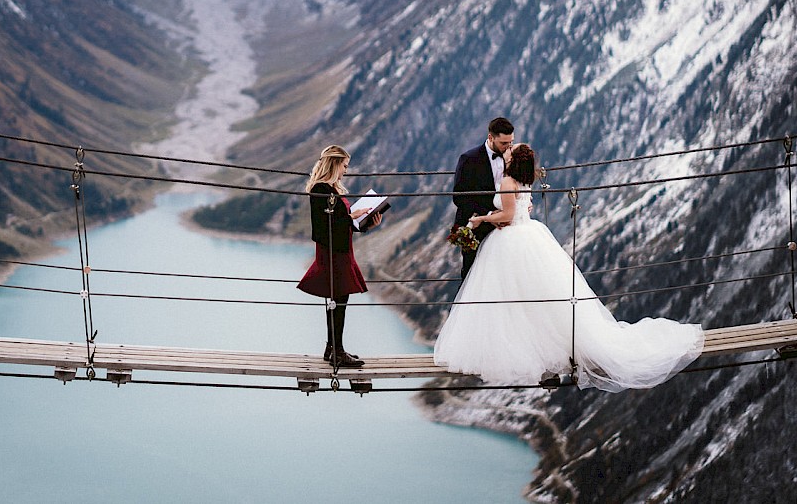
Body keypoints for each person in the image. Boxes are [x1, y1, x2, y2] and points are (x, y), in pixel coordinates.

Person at [434, 143, 704, 392]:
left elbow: (506, 214)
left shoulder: (506, 180)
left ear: (513, 160)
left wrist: (482, 219)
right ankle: (548, 350)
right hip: (529, 234)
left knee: (511, 298)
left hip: (510, 240)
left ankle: (517, 350)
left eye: (510, 150)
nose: (506, 151)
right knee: (538, 296)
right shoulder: (525, 180)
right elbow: (521, 208)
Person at [298, 145, 383, 368]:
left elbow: (339, 223)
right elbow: (323, 225)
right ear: (335, 163)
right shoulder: (322, 189)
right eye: (344, 165)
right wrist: (351, 215)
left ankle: (333, 348)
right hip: (334, 251)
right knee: (339, 300)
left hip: (339, 249)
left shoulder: (329, 189)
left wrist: (365, 225)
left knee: (337, 300)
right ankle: (337, 351)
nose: (346, 170)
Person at [452, 117, 515, 279]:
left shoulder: (513, 157)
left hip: (505, 227)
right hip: (476, 227)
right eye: (504, 143)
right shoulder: (469, 159)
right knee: (472, 276)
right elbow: (459, 197)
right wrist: (488, 215)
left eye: (511, 142)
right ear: (490, 137)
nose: (509, 147)